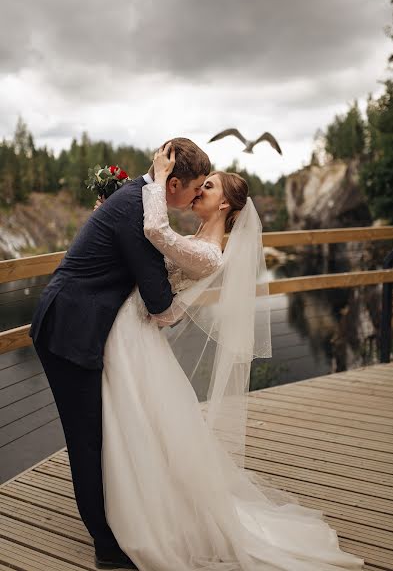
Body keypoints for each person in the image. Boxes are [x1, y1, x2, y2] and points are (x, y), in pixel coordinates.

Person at [98, 144, 365, 571]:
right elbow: (151, 252)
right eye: (199, 184)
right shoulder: (195, 241)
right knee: (143, 421)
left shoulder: (209, 252)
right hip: (134, 327)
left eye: (207, 185)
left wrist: (156, 176)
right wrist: (112, 208)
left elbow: (155, 234)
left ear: (224, 202)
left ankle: (146, 516)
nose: (198, 190)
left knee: (137, 417)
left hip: (137, 330)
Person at [29, 138, 210, 570]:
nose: (198, 194)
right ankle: (106, 546)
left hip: (79, 323)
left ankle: (115, 522)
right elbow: (156, 298)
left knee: (99, 434)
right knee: (87, 440)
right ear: (173, 184)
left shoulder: (140, 202)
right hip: (68, 329)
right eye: (196, 186)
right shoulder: (137, 208)